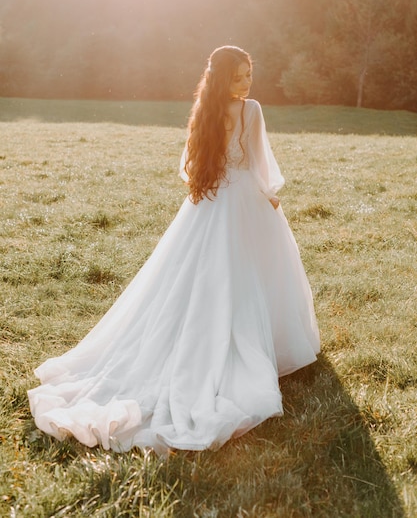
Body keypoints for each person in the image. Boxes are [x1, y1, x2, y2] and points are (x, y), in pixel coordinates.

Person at [28, 45, 320, 455]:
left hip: (207, 205)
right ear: (223, 79)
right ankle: (254, 339)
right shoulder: (250, 110)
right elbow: (258, 164)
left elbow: (192, 166)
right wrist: (270, 197)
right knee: (253, 270)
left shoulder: (206, 109)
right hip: (241, 203)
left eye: (248, 75)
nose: (246, 84)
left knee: (203, 273)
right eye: (238, 77)